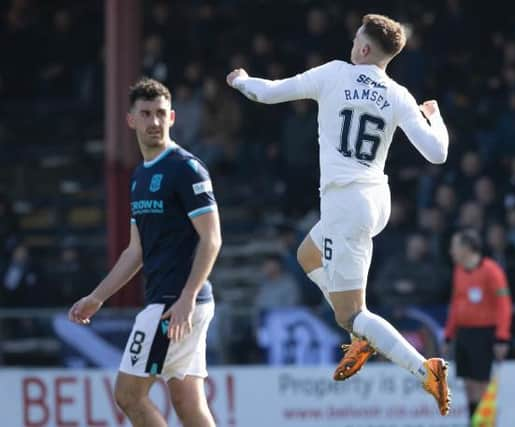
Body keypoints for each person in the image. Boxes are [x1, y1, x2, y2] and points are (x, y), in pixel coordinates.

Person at [227, 14, 451, 415]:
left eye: (355, 39)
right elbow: (437, 153)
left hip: (346, 205)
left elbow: (268, 93)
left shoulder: (334, 74)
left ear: (364, 49)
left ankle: (425, 369)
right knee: (307, 256)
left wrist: (241, 80)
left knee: (353, 313)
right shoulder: (398, 93)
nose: (351, 44)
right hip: (375, 199)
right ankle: (361, 338)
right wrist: (435, 117)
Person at [68, 78, 221, 427]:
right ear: (131, 120)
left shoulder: (186, 168)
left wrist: (186, 297)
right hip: (178, 300)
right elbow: (135, 251)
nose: (154, 121)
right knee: (187, 400)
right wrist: (98, 297)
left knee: (128, 395)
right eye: (146, 114)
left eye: (161, 114)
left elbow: (212, 239)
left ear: (172, 118)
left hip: (175, 303)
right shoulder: (139, 176)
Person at [444, 229, 513, 422]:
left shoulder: (492, 271)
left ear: (467, 248)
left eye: (455, 247)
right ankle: (474, 421)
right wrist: (449, 335)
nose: (452, 252)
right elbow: (456, 304)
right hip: (464, 333)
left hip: (484, 333)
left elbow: (503, 306)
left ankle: (486, 423)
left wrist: (502, 337)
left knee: (483, 384)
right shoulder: (459, 271)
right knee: (468, 384)